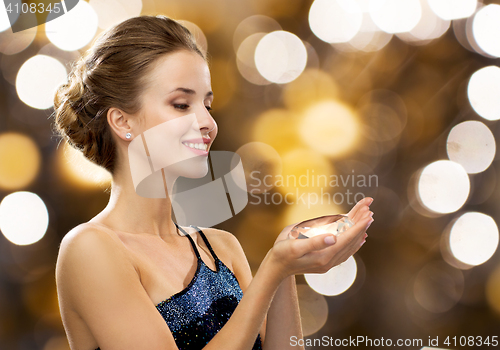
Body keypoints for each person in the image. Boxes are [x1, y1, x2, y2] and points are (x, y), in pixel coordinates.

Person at [52, 15, 374, 350]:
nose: (207, 122)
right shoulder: (90, 249)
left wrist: (286, 270)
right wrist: (273, 270)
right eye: (181, 104)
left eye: (207, 104)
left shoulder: (221, 249)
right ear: (122, 121)